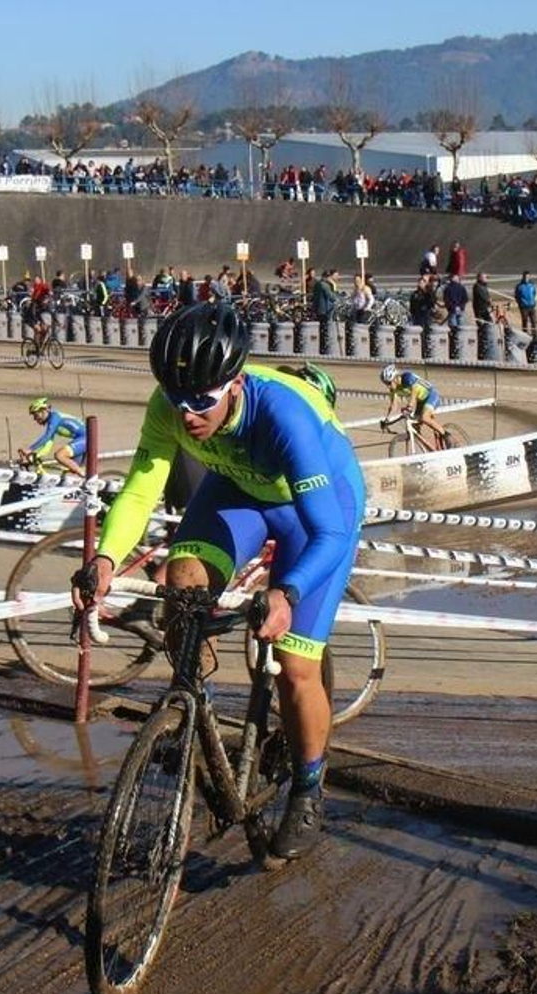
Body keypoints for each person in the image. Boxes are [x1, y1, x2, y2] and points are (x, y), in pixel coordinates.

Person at [87, 303, 366, 860]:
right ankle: (196, 714)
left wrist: (287, 594)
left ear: (235, 384)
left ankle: (309, 788)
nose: (187, 414)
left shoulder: (283, 415)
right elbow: (141, 490)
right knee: (180, 585)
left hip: (317, 513)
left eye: (202, 401)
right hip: (237, 495)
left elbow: (329, 534)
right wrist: (105, 560)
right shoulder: (170, 405)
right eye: (176, 398)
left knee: (294, 666)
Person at [380, 363, 448, 447]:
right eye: (386, 384)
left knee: (424, 418)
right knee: (414, 428)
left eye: (389, 383)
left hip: (431, 395)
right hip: (420, 401)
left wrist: (410, 406)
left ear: (395, 378)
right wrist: (386, 420)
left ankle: (447, 437)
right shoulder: (393, 389)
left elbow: (414, 392)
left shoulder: (407, 377)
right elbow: (393, 405)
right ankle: (428, 448)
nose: (388, 386)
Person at [20, 396, 87, 477]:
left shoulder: (54, 418)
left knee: (60, 455)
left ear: (43, 411)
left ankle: (86, 477)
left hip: (85, 439)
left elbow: (47, 436)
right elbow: (48, 443)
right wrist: (37, 455)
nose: (35, 418)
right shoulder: (52, 421)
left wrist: (30, 449)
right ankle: (84, 477)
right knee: (71, 469)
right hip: (82, 439)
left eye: (36, 414)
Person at [23, 275, 53, 346]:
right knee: (38, 330)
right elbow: (33, 314)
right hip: (30, 317)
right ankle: (35, 346)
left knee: (45, 329)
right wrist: (37, 323)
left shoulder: (42, 304)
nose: (45, 301)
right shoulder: (34, 303)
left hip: (36, 316)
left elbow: (50, 313)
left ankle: (40, 344)